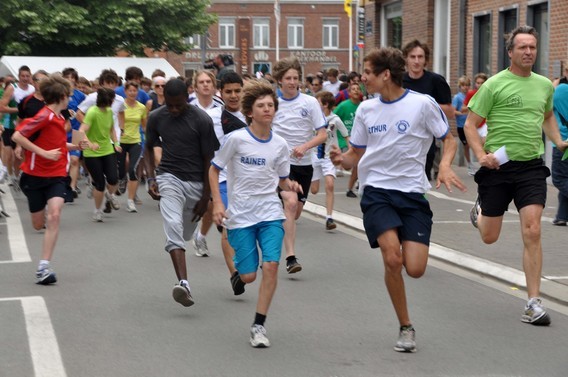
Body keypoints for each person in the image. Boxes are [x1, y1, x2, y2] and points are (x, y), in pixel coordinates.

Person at [330, 47, 465, 353]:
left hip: (412, 192)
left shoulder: (422, 105)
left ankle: (408, 251)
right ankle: (405, 326)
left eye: (367, 73)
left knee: (415, 268)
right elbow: (356, 156)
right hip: (376, 191)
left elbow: (449, 138)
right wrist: (342, 160)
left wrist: (444, 166)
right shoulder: (366, 110)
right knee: (392, 258)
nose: (363, 78)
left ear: (385, 74)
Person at [464, 25, 568, 327]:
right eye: (522, 47)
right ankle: (479, 213)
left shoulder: (544, 85)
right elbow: (470, 125)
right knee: (489, 236)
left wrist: (559, 141)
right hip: (497, 167)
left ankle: (533, 302)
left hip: (531, 167)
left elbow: (547, 115)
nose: (528, 52)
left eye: (533, 47)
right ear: (510, 52)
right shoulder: (494, 85)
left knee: (533, 230)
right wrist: (480, 153)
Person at [210, 80, 303, 348]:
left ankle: (258, 325)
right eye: (261, 106)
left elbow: (283, 180)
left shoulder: (281, 144)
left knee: (271, 267)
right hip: (241, 215)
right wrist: (218, 202)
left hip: (270, 213)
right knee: (249, 276)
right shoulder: (236, 140)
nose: (267, 110)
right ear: (250, 111)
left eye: (270, 105)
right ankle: (238, 267)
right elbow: (214, 170)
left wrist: (291, 187)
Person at [144, 78, 219, 308]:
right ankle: (183, 283)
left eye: (179, 105)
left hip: (197, 181)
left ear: (187, 97)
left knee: (185, 232)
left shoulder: (201, 119)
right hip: (169, 177)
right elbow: (148, 147)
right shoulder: (157, 116)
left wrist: (206, 196)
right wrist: (151, 178)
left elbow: (209, 159)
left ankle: (191, 239)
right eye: (170, 105)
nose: (174, 110)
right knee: (173, 225)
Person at [12, 74, 87, 284]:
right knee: (38, 224)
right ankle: (39, 212)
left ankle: (43, 266)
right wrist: (43, 153)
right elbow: (17, 136)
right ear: (62, 96)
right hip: (34, 176)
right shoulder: (44, 115)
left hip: (56, 176)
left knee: (54, 215)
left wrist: (75, 146)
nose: (70, 99)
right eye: (69, 96)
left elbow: (58, 145)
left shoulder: (60, 118)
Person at [271, 56, 327, 274]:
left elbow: (322, 134)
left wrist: (305, 146)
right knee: (291, 203)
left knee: (295, 212)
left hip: (304, 164)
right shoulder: (272, 104)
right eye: (288, 78)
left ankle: (273, 226)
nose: (293, 82)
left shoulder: (310, 102)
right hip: (280, 165)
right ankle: (291, 257)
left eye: (295, 78)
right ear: (279, 81)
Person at [402, 40, 454, 181]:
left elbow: (450, 112)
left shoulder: (436, 81)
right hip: (400, 140)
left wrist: (425, 105)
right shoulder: (399, 81)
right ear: (406, 59)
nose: (417, 61)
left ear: (426, 60)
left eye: (420, 57)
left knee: (419, 186)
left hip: (425, 143)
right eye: (413, 57)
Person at [217, 72, 249, 295]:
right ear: (221, 92)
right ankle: (234, 274)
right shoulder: (213, 118)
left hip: (249, 182)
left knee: (245, 228)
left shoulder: (253, 115)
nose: (233, 95)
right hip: (222, 179)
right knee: (228, 228)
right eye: (228, 91)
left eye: (237, 90)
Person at [189, 70, 224, 257]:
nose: (205, 85)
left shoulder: (221, 107)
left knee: (210, 204)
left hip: (216, 163)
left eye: (208, 81)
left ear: (214, 85)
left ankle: (200, 236)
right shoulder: (188, 107)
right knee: (200, 204)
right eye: (201, 82)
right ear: (195, 86)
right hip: (193, 162)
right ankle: (197, 231)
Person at [79, 88, 122, 222]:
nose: (114, 101)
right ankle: (98, 211)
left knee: (114, 178)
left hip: (107, 149)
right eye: (112, 99)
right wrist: (90, 144)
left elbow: (111, 129)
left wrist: (116, 143)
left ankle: (110, 195)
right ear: (107, 99)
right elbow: (81, 131)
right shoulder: (92, 112)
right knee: (100, 183)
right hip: (91, 153)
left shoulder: (109, 112)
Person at [312, 90, 349, 230]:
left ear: (326, 105)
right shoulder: (313, 119)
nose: (316, 105)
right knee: (314, 190)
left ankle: (329, 218)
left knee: (330, 185)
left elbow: (346, 135)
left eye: (318, 103)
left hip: (328, 157)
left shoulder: (335, 119)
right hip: (315, 155)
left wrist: (350, 151)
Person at [118, 81, 147, 213]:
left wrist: (148, 139)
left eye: (135, 91)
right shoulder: (120, 106)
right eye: (130, 91)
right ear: (125, 92)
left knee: (133, 169)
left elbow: (144, 125)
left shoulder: (141, 107)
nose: (132, 93)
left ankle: (130, 201)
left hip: (136, 140)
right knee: (120, 170)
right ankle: (120, 182)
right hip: (121, 141)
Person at [334, 82, 362, 197]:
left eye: (358, 89)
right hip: (344, 139)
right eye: (353, 89)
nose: (356, 91)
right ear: (349, 93)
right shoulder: (343, 106)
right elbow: (333, 117)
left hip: (359, 141)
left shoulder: (363, 106)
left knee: (358, 164)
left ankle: (350, 188)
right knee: (348, 166)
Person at [551, 83, 568, 226]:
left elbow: (546, 108)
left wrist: (553, 86)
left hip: (562, 141)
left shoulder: (561, 89)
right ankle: (562, 216)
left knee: (559, 178)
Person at [452, 75, 475, 176]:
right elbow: (453, 111)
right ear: (460, 86)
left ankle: (473, 164)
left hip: (472, 124)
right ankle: (470, 164)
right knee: (467, 146)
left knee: (474, 144)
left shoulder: (471, 96)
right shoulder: (457, 97)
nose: (465, 87)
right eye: (463, 85)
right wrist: (461, 114)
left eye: (467, 85)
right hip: (461, 126)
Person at [463, 73, 489, 144]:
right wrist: (473, 106)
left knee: (485, 144)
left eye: (482, 83)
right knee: (476, 147)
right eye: (478, 83)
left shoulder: (489, 93)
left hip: (485, 123)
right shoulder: (471, 93)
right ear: (475, 84)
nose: (480, 85)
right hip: (474, 124)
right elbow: (463, 109)